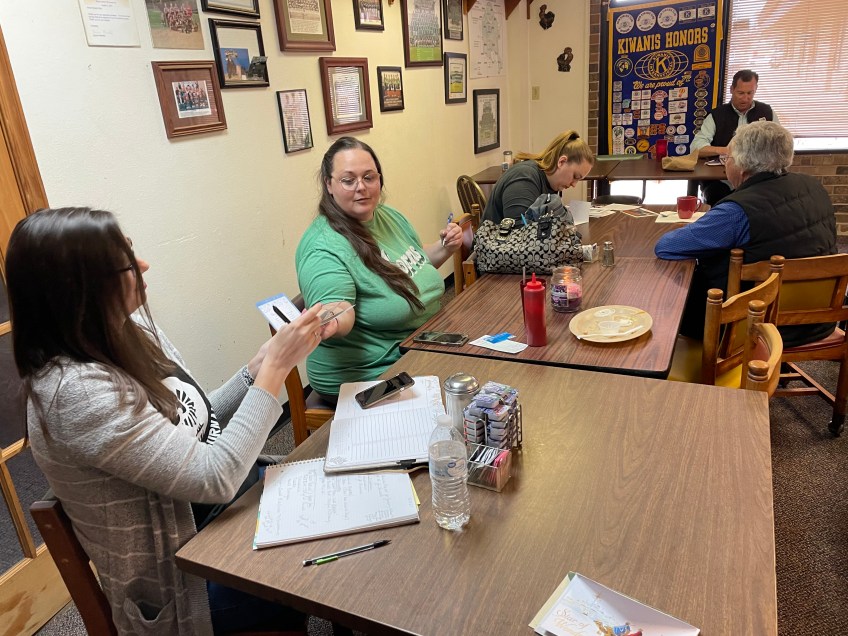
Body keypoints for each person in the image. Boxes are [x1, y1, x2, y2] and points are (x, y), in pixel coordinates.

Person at [7, 207, 326, 635]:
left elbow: (195, 420)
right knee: (332, 557)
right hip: (186, 584)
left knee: (340, 497)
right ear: (77, 291)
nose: (143, 265)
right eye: (125, 263)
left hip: (226, 513)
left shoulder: (128, 327)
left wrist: (255, 370)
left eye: (131, 250)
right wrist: (276, 371)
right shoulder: (74, 393)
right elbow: (215, 477)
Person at [295, 136, 462, 401]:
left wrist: (446, 248)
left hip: (419, 342)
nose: (361, 187)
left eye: (369, 177)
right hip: (369, 372)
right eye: (348, 180)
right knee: (466, 396)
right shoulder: (322, 248)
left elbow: (415, 263)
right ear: (329, 184)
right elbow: (338, 306)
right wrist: (330, 320)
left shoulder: (388, 216)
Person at [656, 121, 836, 345]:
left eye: (727, 158)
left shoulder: (737, 211)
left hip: (752, 326)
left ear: (742, 166)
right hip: (818, 318)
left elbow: (667, 246)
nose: (725, 166)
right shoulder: (813, 187)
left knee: (667, 297)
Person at [690, 69, 779, 205]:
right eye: (741, 93)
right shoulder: (717, 115)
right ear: (732, 90)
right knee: (718, 197)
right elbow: (695, 148)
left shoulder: (767, 113)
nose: (745, 98)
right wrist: (726, 150)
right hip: (721, 181)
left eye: (750, 93)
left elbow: (779, 145)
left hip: (757, 179)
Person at [482, 129, 594, 224]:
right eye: (575, 176)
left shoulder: (549, 185)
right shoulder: (524, 178)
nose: (574, 184)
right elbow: (520, 232)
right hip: (499, 243)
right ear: (561, 162)